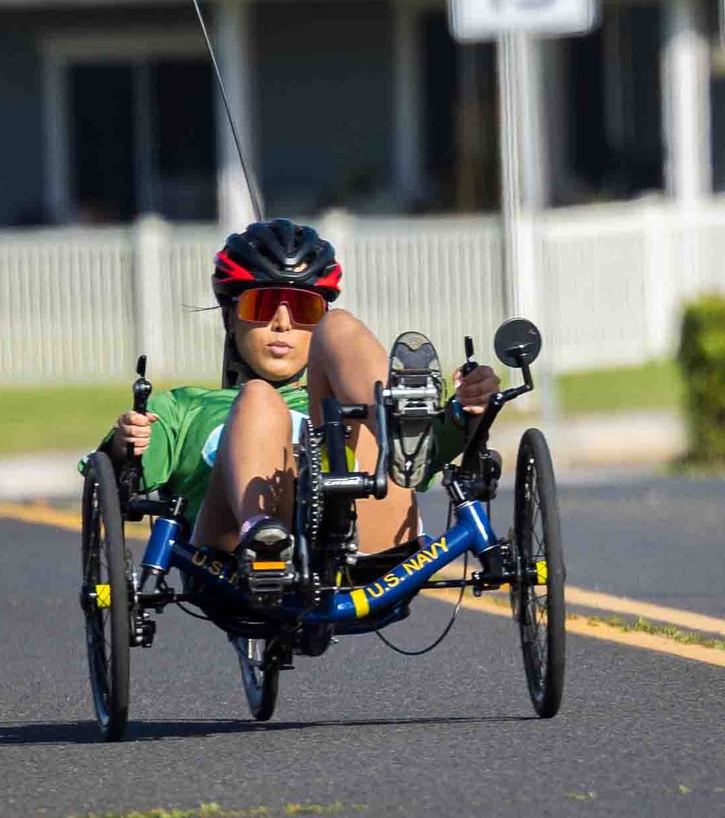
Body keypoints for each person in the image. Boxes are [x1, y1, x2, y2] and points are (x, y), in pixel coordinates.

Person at [106, 219, 500, 583]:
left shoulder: (339, 397)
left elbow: (426, 465)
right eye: (261, 305)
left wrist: (469, 408)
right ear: (230, 316)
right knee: (258, 397)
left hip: (364, 534)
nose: (283, 323)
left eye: (304, 308)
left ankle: (399, 417)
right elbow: (119, 479)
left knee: (341, 326)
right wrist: (126, 444)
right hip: (236, 559)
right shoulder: (181, 407)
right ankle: (262, 534)